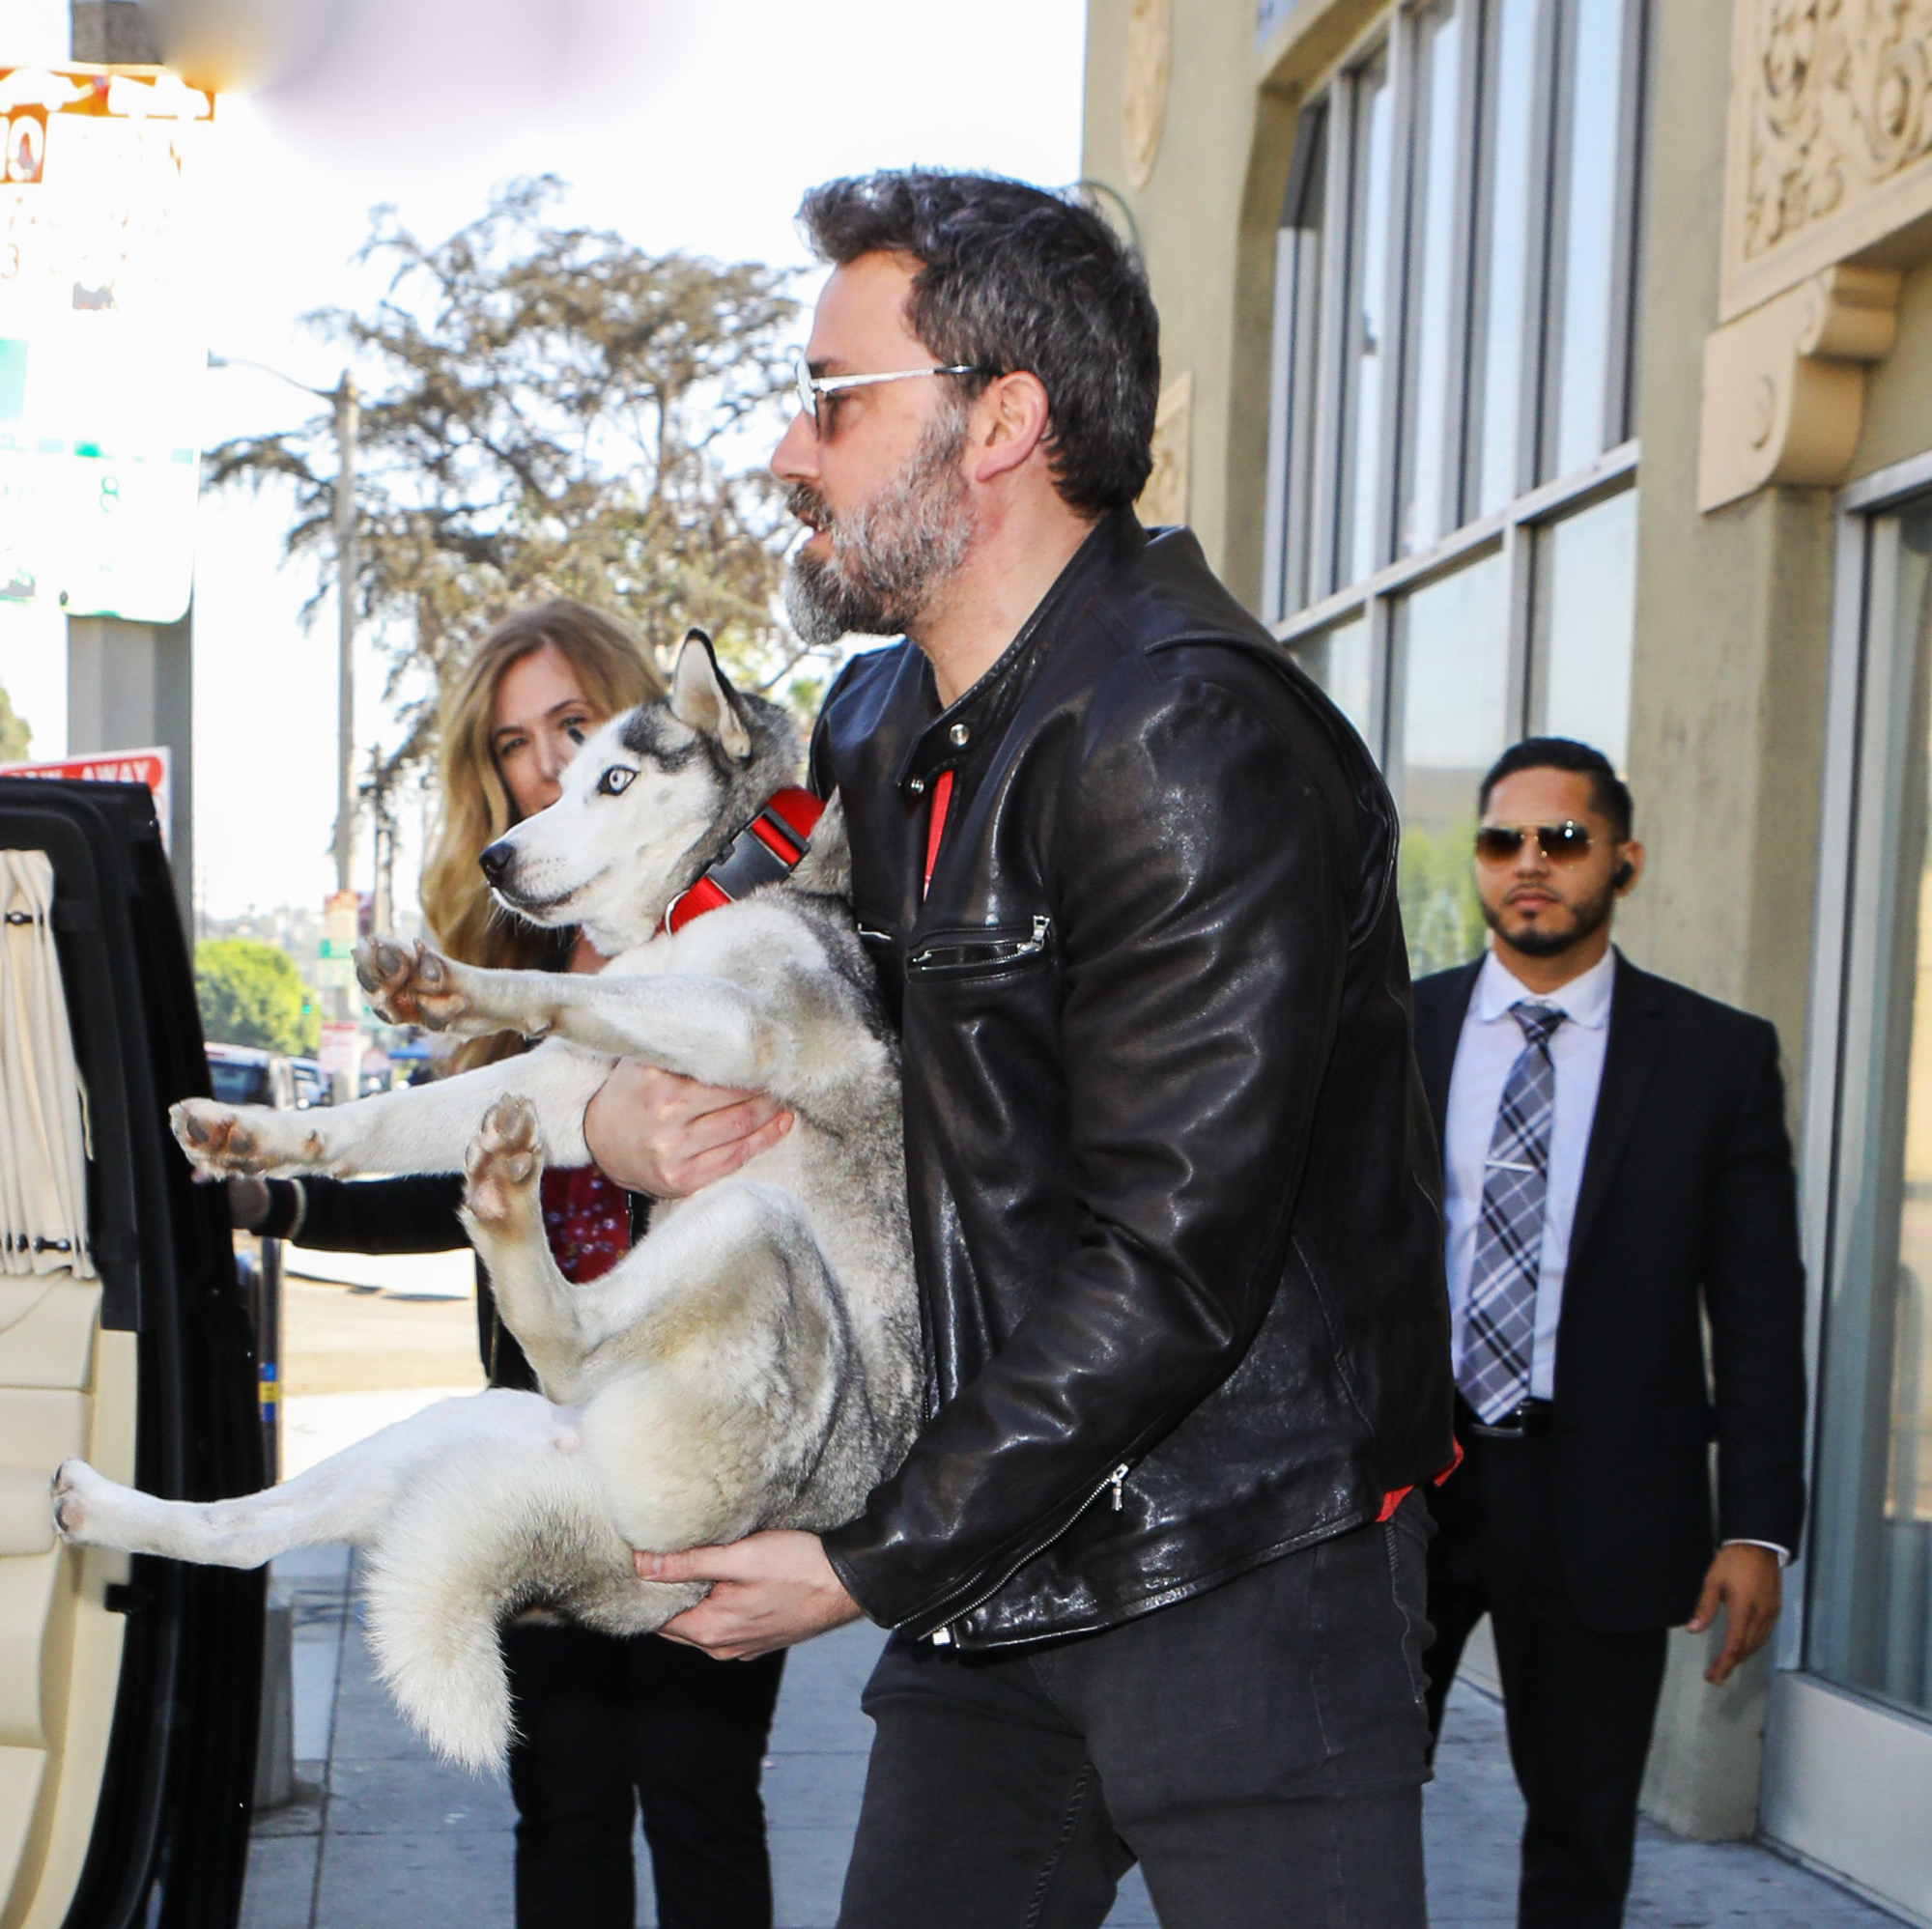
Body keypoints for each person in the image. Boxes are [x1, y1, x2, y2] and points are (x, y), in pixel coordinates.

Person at [584, 171, 1457, 1928]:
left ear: (1002, 423)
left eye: (836, 400)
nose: (785, 448)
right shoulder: (880, 722)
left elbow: (1171, 1263)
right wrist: (620, 1112)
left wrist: (865, 1558)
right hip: (1004, 1544)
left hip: (1246, 1558)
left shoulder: (1186, 735)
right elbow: (786, 1037)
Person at [232, 600, 789, 1929]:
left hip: (707, 1448)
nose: (543, 766)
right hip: (544, 1448)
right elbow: (458, 1190)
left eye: (574, 730)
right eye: (514, 746)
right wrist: (282, 1198)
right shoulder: (515, 963)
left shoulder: (732, 935)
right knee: (568, 1802)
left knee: (701, 1794)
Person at [1409, 736, 1807, 1929]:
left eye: (1561, 840)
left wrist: (1754, 1525)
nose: (1528, 864)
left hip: (1604, 1500)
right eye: (1501, 840)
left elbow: (1757, 1307)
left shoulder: (1713, 1057)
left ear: (1621, 863)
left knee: (1578, 1838)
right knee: (1338, 1797)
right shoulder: (1393, 1031)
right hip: (1402, 1490)